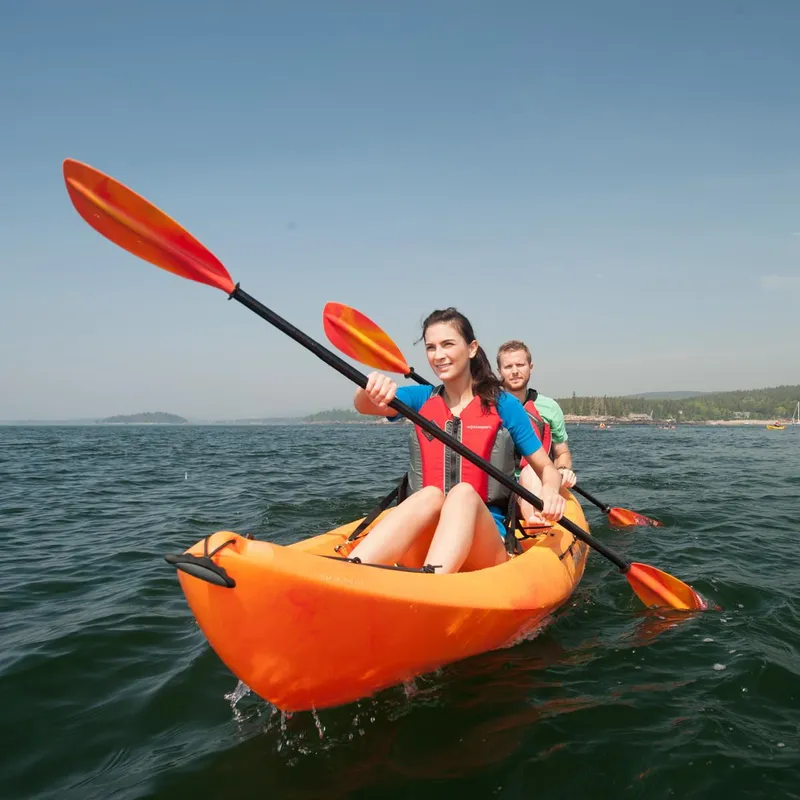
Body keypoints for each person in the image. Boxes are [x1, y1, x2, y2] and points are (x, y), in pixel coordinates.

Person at [348, 308, 565, 575]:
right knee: (430, 495)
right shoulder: (421, 398)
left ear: (472, 348)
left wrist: (551, 492)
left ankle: (433, 584)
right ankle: (351, 573)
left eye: (448, 344)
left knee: (462, 493)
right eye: (431, 347)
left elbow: (547, 468)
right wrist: (368, 387)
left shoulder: (503, 404)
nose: (438, 355)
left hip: (483, 544)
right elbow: (365, 406)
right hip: (423, 541)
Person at [495, 340, 576, 526]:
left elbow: (561, 453)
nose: (515, 371)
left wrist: (563, 469)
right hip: (500, 485)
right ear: (499, 371)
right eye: (508, 366)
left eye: (520, 365)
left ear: (530, 367)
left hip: (536, 482)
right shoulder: (490, 405)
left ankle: (535, 518)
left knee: (531, 470)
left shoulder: (549, 408)